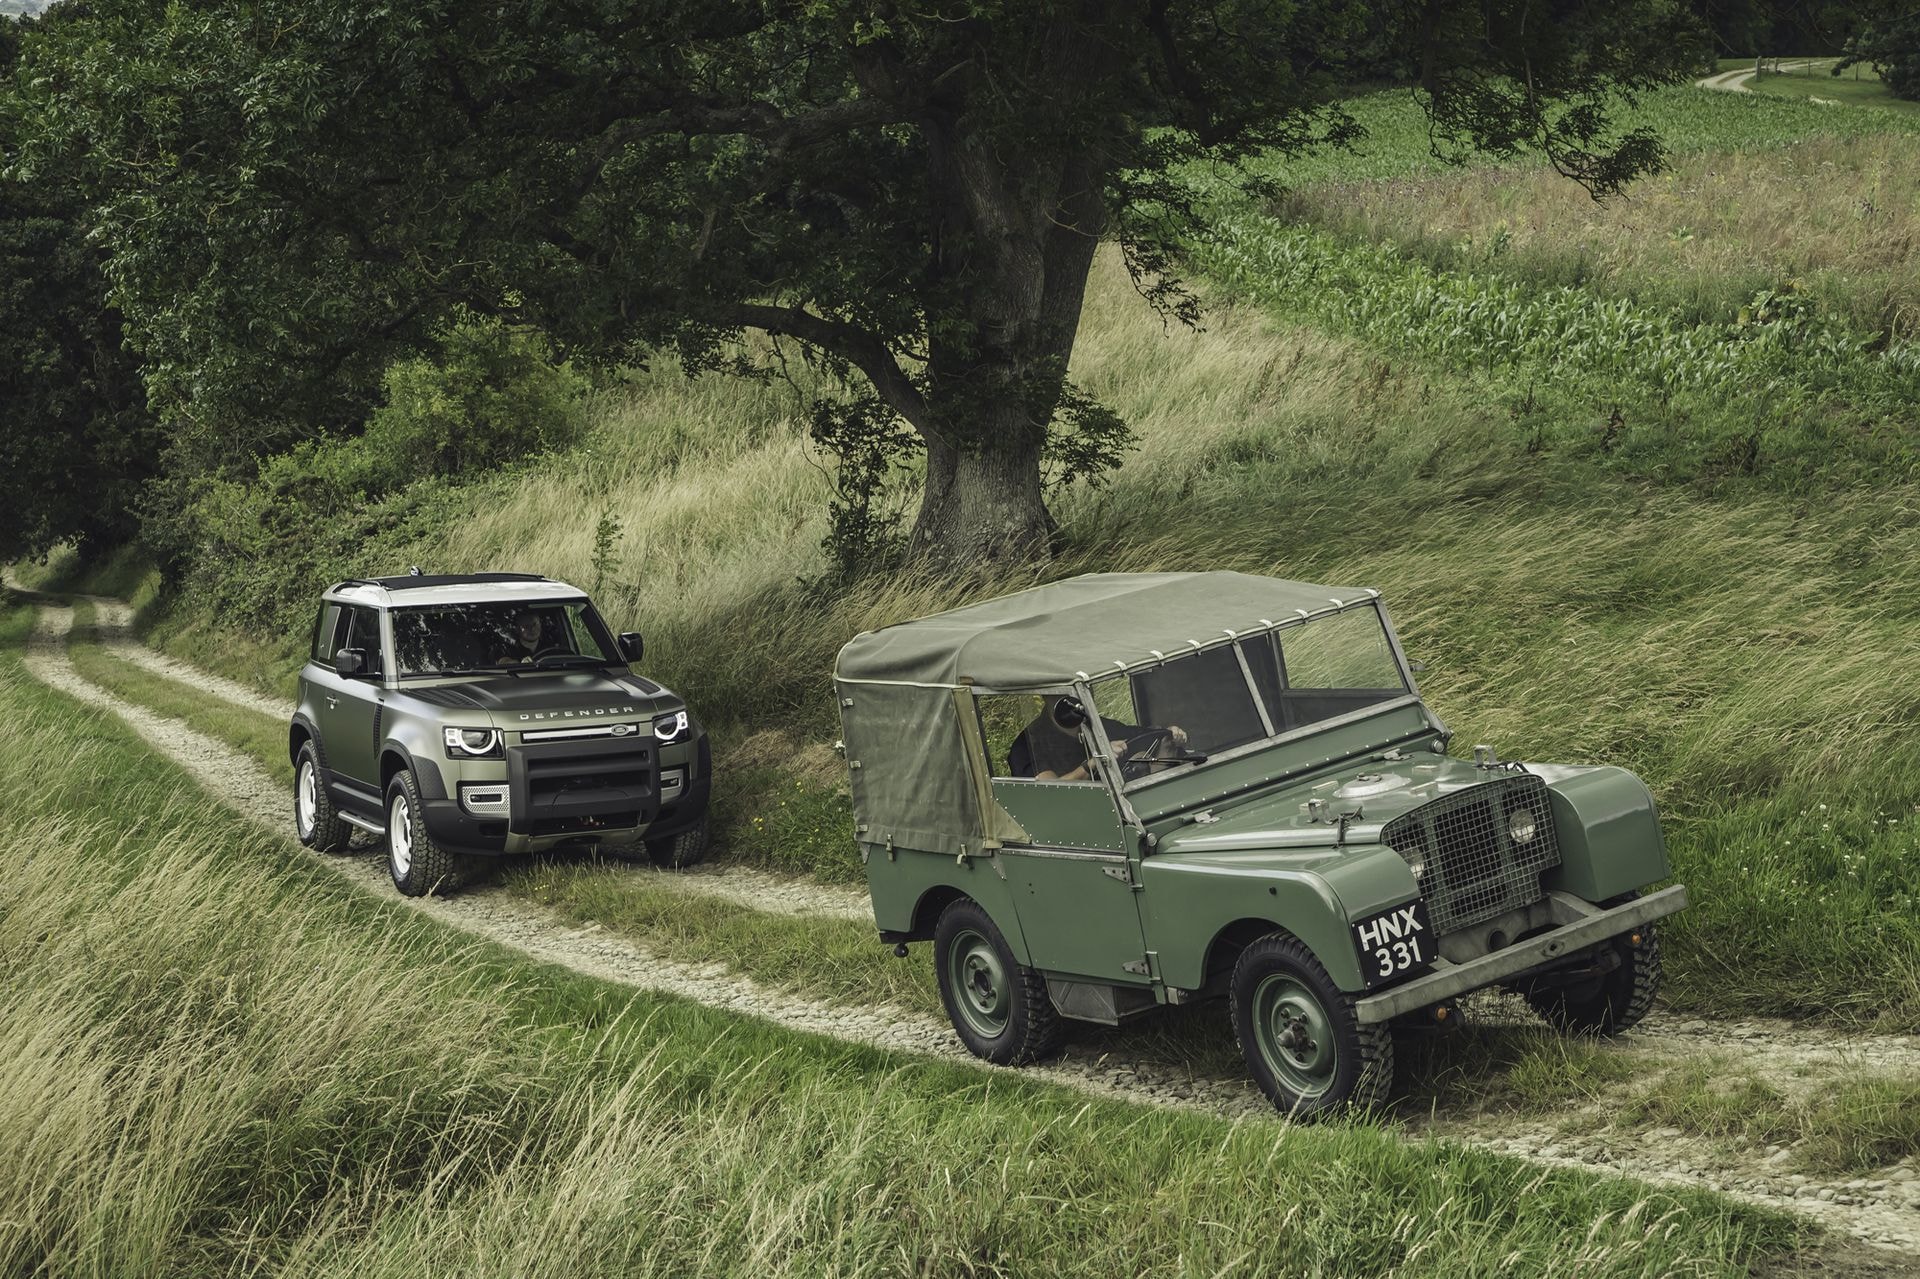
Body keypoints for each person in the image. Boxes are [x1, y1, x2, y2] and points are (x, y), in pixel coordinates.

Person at [1013, 696, 1186, 781]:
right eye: (1063, 693)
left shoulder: (1101, 726)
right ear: (1045, 695)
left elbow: (1144, 737)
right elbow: (1049, 791)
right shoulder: (1027, 744)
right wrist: (1093, 763)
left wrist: (1168, 737)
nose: (1074, 700)